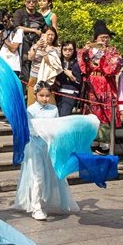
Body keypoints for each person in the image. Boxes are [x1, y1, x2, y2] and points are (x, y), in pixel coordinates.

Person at [15, 84, 76, 221]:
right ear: (35, 94)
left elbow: (56, 127)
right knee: (38, 176)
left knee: (48, 175)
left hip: (49, 146)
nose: (44, 98)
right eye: (41, 95)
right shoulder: (31, 109)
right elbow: (30, 129)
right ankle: (36, 207)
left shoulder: (53, 109)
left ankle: (44, 203)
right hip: (35, 145)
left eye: (47, 95)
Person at [79, 21, 123, 154]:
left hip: (106, 84)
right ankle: (93, 141)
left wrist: (105, 54)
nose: (104, 40)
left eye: (106, 37)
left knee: (105, 112)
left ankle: (104, 143)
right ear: (95, 39)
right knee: (92, 112)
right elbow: (83, 66)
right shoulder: (89, 50)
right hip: (91, 82)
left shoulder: (112, 51)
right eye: (101, 38)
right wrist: (85, 51)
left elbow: (113, 68)